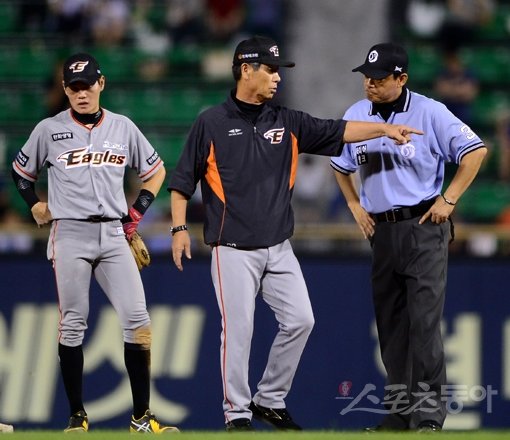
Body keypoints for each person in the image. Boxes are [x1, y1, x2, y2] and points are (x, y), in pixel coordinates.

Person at [167, 35, 422, 432]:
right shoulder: (211, 123)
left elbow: (337, 129)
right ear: (246, 70)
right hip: (231, 247)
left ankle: (269, 398)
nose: (277, 78)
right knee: (239, 331)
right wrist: (180, 227)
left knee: (301, 320)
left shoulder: (286, 121)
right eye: (270, 69)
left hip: (278, 247)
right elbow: (182, 181)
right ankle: (237, 414)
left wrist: (383, 131)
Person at [11, 53, 179, 434]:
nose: (81, 93)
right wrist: (34, 204)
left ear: (101, 83)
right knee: (73, 325)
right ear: (66, 89)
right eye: (74, 87)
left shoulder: (122, 127)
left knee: (138, 322)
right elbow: (21, 173)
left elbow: (155, 172)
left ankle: (141, 417)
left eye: (87, 85)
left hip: (115, 234)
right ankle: (77, 415)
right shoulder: (48, 129)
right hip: (70, 232)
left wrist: (137, 212)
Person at [330, 42, 487, 432]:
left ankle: (430, 416)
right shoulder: (356, 114)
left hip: (423, 228)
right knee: (392, 327)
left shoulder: (430, 111)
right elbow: (339, 164)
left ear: (402, 78)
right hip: (380, 231)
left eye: (380, 78)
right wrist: (354, 205)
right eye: (367, 76)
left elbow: (475, 151)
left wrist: (449, 198)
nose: (370, 84)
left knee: (424, 325)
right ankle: (400, 415)